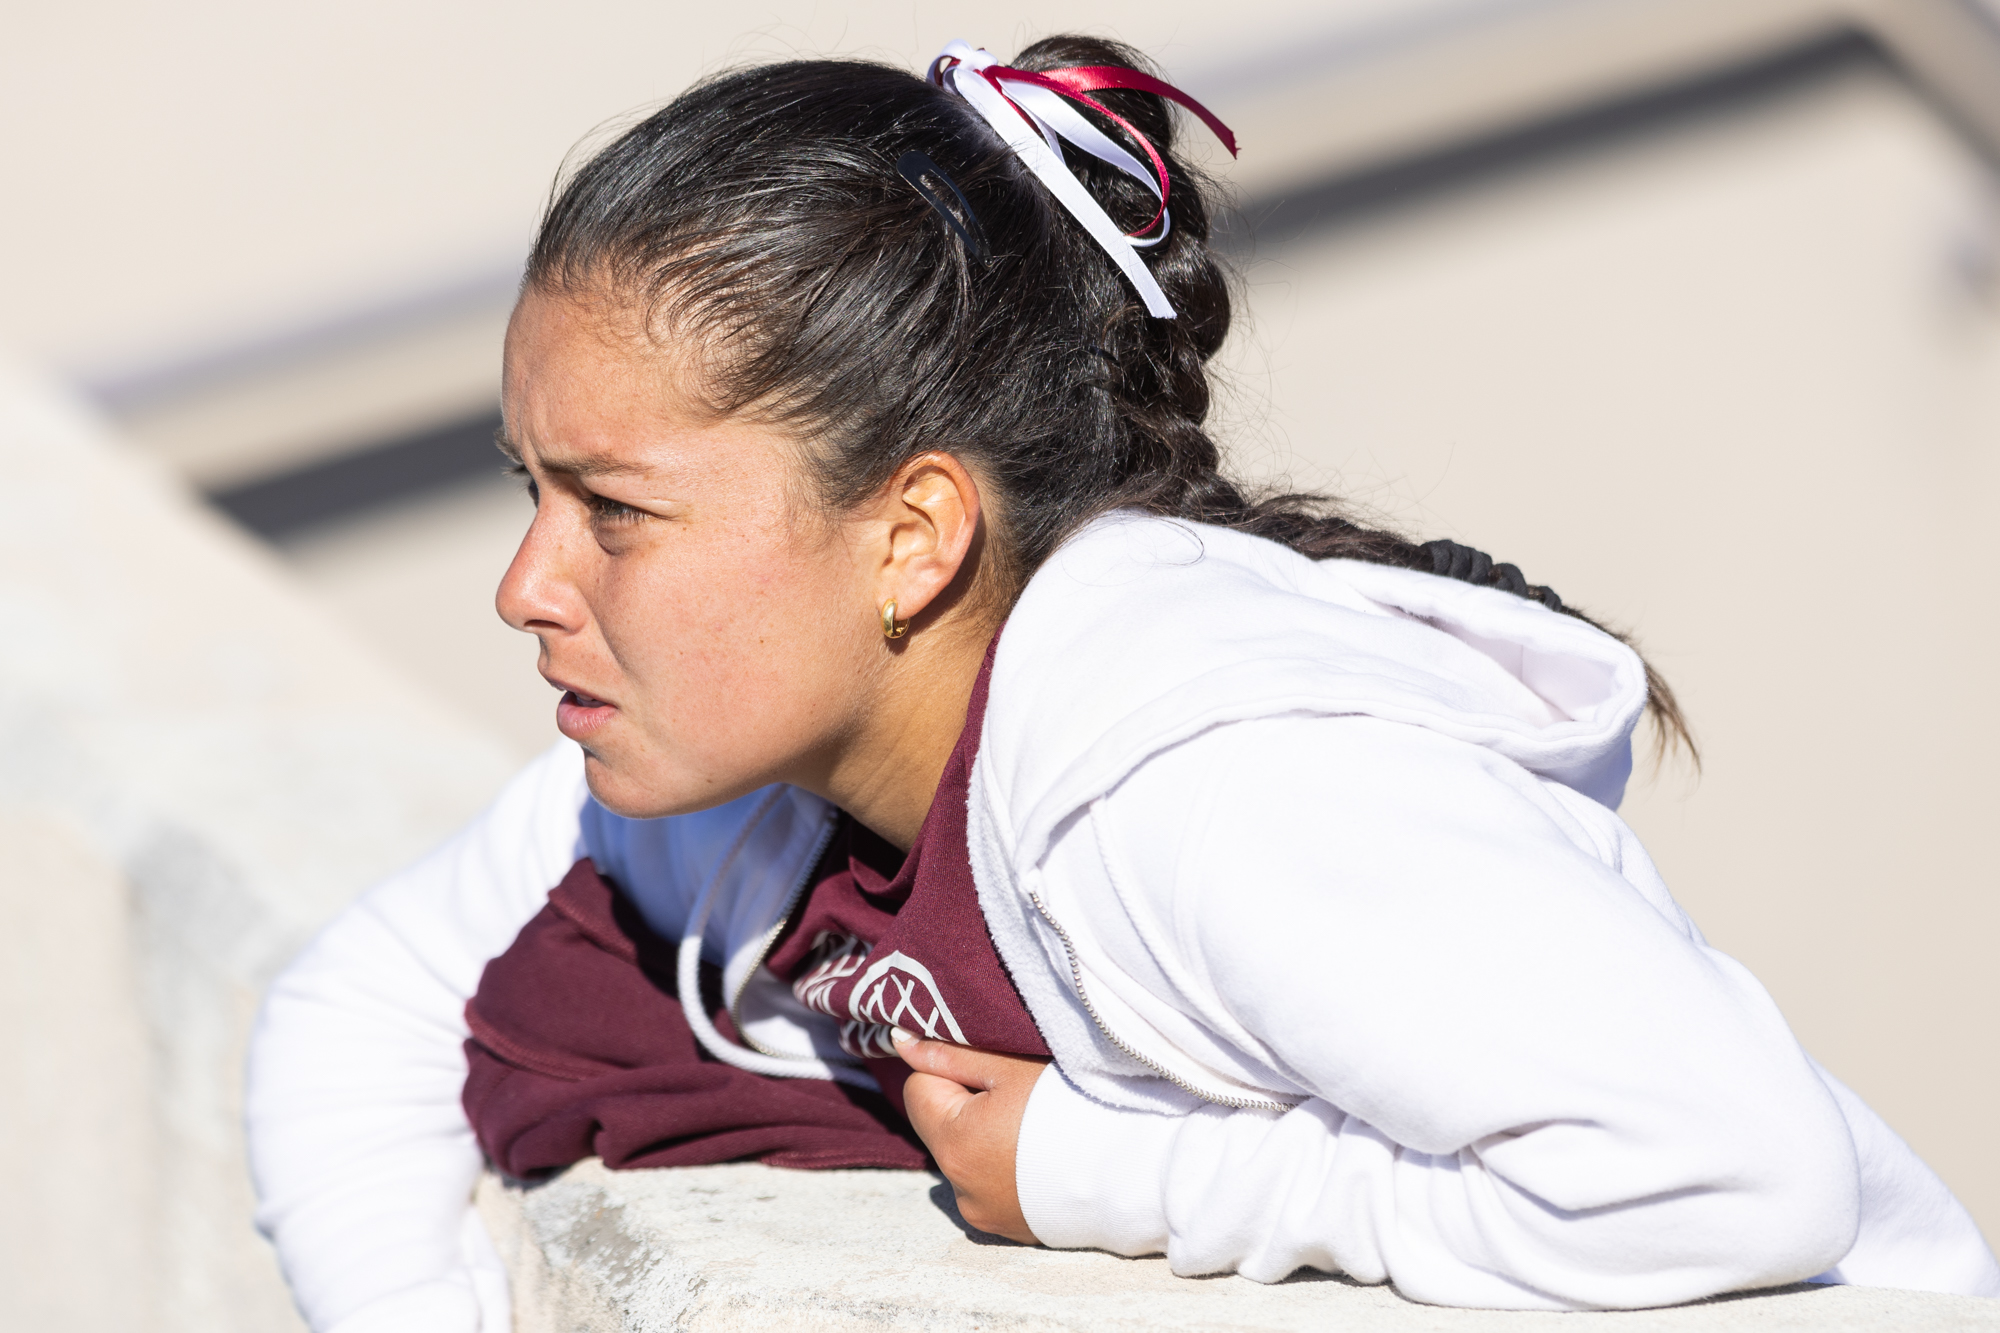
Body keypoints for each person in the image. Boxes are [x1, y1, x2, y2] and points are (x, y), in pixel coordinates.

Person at [244, 34, 2000, 1333]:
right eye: (526, 492)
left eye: (613, 512)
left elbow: (1734, 1172)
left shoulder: (1207, 791)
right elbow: (366, 1003)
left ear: (914, 536)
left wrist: (1114, 1170)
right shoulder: (745, 788)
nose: (524, 586)